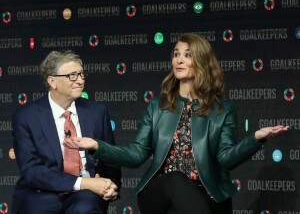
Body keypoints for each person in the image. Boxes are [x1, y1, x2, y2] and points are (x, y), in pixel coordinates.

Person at [63, 33, 289, 214]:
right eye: (176, 54)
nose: (179, 60)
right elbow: (136, 154)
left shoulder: (222, 109)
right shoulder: (157, 106)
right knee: (175, 179)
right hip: (159, 192)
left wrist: (256, 139)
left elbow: (225, 159)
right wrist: (97, 146)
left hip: (207, 193)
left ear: (201, 61)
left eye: (187, 55)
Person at [12, 50, 121, 214]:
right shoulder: (26, 116)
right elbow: (32, 171)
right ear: (52, 81)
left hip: (85, 195)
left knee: (85, 209)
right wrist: (83, 182)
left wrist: (110, 186)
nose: (80, 81)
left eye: (82, 74)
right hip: (40, 193)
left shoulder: (97, 112)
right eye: (72, 75)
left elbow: (110, 160)